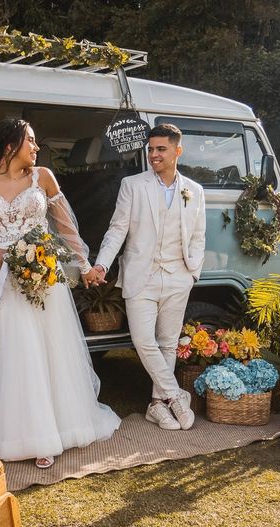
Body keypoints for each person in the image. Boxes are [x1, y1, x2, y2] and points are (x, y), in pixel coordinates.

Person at [0, 118, 120, 469]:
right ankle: (4, 435)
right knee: (7, 358)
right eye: (31, 141)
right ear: (10, 146)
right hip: (0, 283)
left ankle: (46, 436)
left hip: (42, 282)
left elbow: (66, 227)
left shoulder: (44, 178)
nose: (36, 148)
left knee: (43, 356)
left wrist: (83, 264)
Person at [93, 123, 206, 431]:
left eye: (161, 149)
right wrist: (102, 264)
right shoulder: (133, 185)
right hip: (140, 275)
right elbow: (118, 229)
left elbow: (198, 235)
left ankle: (157, 404)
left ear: (177, 151)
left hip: (178, 276)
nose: (153, 154)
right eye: (151, 149)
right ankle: (175, 396)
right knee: (144, 340)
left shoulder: (194, 191)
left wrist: (191, 272)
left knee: (168, 342)